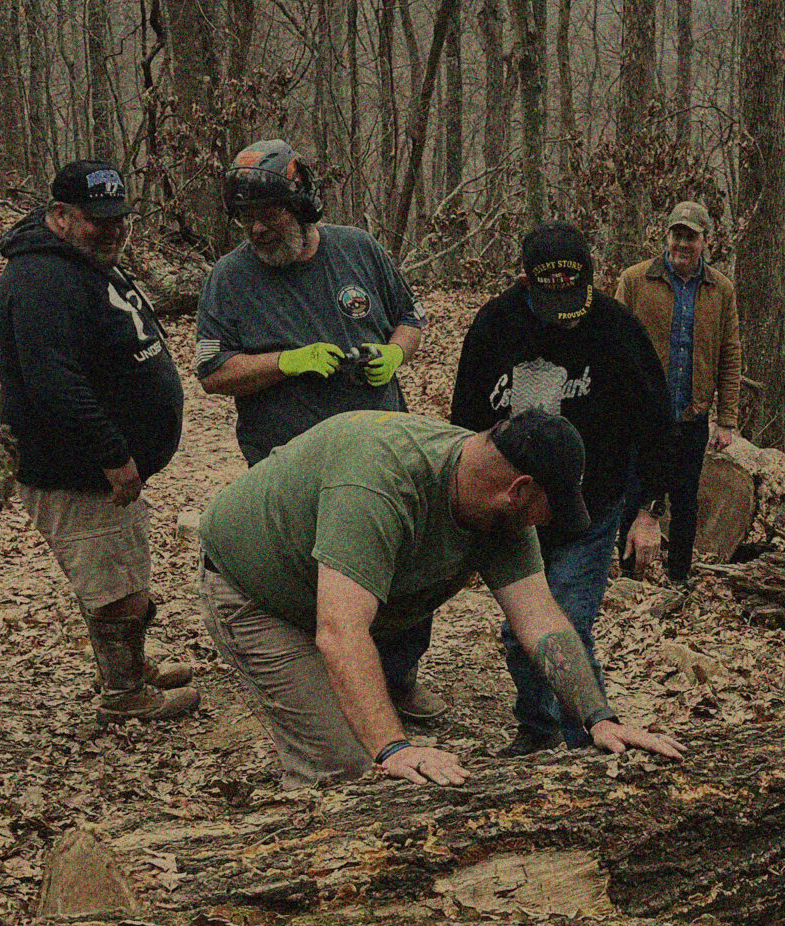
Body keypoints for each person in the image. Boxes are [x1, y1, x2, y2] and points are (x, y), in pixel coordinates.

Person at [196, 408, 685, 789]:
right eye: (548, 509)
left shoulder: (499, 509)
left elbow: (540, 619)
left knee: (372, 750)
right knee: (344, 767)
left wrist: (599, 717)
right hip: (261, 596)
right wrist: (394, 748)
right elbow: (340, 632)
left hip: (339, 599)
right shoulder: (378, 482)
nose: (547, 523)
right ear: (519, 490)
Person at [195, 139, 441, 723]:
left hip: (382, 444)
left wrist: (395, 354)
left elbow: (410, 318)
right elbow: (211, 373)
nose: (257, 228)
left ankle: (399, 677)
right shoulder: (228, 278)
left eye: (270, 214)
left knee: (401, 564)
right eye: (246, 217)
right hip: (288, 459)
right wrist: (287, 362)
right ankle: (333, 683)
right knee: (313, 574)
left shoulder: (358, 249)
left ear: (302, 205)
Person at [451, 221, 676, 757]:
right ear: (525, 281)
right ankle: (537, 730)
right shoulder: (495, 325)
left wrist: (649, 511)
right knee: (521, 632)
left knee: (568, 622)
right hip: (515, 506)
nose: (564, 316)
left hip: (591, 505)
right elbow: (463, 425)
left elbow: (656, 424)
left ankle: (587, 740)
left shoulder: (616, 328)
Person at [0, 159, 198, 723]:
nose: (114, 231)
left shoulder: (81, 261)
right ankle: (125, 695)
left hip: (104, 464)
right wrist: (113, 455)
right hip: (75, 469)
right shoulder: (39, 281)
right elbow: (54, 386)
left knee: (122, 568)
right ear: (60, 215)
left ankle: (128, 667)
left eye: (120, 219)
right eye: (98, 220)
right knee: (112, 582)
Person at [613, 200, 741, 587]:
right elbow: (614, 344)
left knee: (685, 500)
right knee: (633, 493)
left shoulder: (720, 289)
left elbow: (730, 354)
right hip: (642, 413)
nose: (683, 243)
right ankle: (628, 578)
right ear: (666, 236)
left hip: (692, 412)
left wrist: (727, 419)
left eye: (691, 237)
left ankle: (678, 577)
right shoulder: (635, 280)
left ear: (705, 241)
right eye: (677, 235)